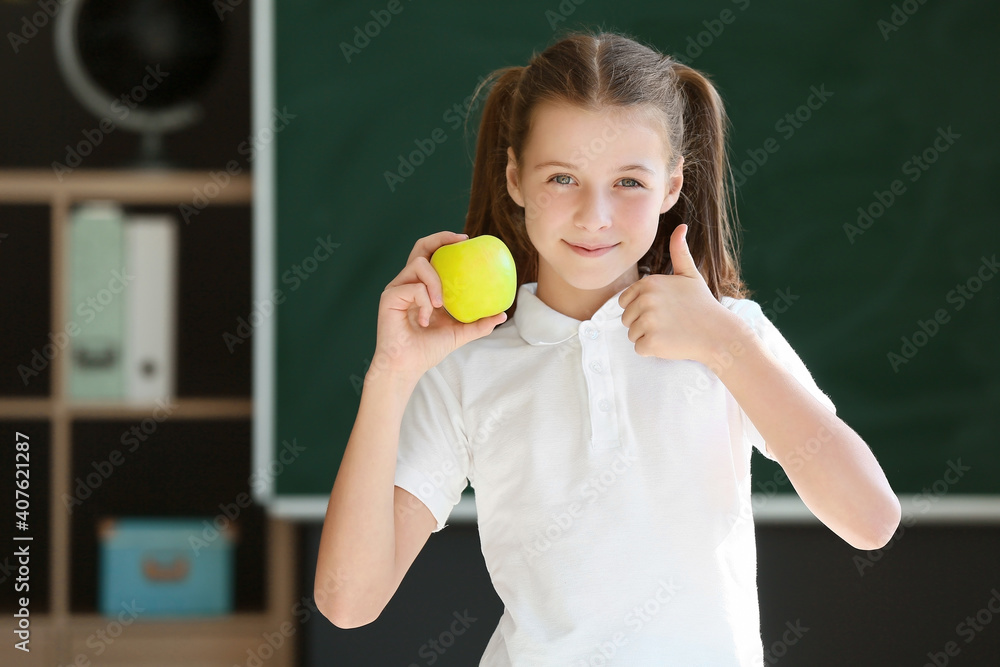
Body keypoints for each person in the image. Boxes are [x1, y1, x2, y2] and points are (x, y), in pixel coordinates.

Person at [314, 28, 900, 665]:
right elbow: (349, 602)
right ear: (513, 178)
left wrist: (725, 346)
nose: (595, 216)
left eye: (628, 182)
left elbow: (870, 521)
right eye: (563, 178)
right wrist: (391, 373)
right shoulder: (468, 364)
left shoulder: (728, 334)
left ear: (672, 187)